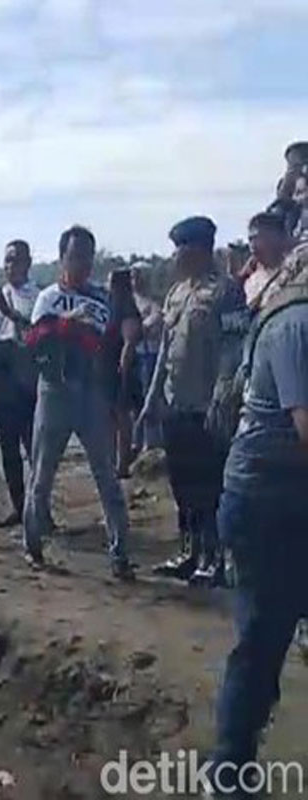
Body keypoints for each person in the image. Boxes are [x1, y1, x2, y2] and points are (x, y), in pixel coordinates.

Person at [208, 267, 308, 793]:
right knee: (261, 642)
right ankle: (228, 770)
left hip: (290, 499)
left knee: (266, 639)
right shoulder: (296, 326)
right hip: (265, 506)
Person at [138, 217, 248, 586]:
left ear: (199, 249)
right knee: (182, 482)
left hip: (207, 405)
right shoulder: (176, 293)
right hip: (175, 402)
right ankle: (189, 551)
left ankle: (213, 557)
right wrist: (152, 398)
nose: (176, 255)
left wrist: (222, 394)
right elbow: (165, 351)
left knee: (209, 485)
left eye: (181, 248)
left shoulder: (227, 292)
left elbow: (233, 348)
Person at [23, 225, 134, 580]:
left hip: (89, 392)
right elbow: (34, 341)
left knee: (106, 475)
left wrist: (66, 329)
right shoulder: (47, 298)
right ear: (62, 259)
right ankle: (33, 545)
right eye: (75, 257)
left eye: (87, 257)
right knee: (41, 475)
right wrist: (65, 326)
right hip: (53, 390)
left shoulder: (102, 298)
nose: (82, 265)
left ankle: (120, 554)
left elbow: (105, 341)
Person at [0, 240, 40, 528]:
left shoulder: (37, 296)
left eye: (15, 260)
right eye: (6, 261)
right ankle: (18, 505)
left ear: (27, 263)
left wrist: (8, 311)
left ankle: (39, 507)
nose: (10, 267)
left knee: (34, 446)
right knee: (8, 445)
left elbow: (35, 333)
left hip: (24, 373)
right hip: (0, 370)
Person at [106, 269, 142, 478]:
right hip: (109, 366)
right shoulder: (112, 303)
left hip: (121, 366)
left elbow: (129, 340)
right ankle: (113, 461)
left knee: (121, 415)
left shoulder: (125, 305)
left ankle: (122, 463)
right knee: (112, 416)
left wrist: (123, 366)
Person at [132, 267, 164, 453]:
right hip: (131, 355)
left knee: (149, 397)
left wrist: (141, 328)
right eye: (133, 277)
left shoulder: (152, 302)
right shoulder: (127, 301)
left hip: (148, 354)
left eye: (139, 276)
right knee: (132, 401)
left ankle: (150, 440)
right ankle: (135, 439)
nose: (136, 280)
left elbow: (154, 321)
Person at [244, 210, 293, 312]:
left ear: (277, 238)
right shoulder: (251, 281)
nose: (253, 245)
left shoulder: (296, 271)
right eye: (250, 239)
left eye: (258, 238)